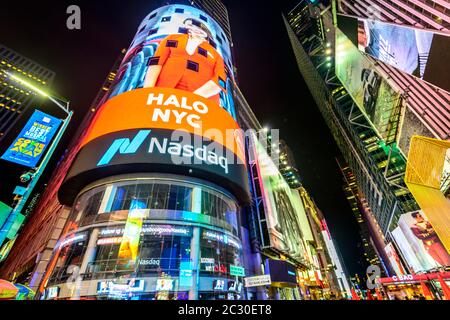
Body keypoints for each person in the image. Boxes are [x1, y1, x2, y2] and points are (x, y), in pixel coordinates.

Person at [143, 18, 227, 105]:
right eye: (191, 26)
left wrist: (192, 98)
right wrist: (148, 91)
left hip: (200, 103)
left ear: (206, 32)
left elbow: (220, 81)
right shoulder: (172, 39)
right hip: (163, 94)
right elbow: (156, 62)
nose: (194, 28)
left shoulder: (216, 55)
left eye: (198, 27)